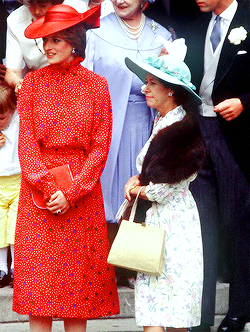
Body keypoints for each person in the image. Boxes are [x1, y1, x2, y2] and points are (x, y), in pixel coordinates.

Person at [13, 4, 119, 332]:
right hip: (39, 198)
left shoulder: (97, 86)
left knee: (78, 294)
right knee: (40, 296)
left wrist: (71, 192)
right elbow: (27, 147)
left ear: (75, 41)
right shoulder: (30, 85)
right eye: (45, 41)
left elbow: (100, 147)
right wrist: (49, 189)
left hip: (82, 197)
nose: (48, 47)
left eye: (56, 40)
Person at [123, 54, 205, 332]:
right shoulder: (164, 121)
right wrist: (137, 178)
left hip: (174, 225)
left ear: (170, 89)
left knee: (172, 306)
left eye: (152, 83)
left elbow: (163, 188)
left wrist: (138, 189)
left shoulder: (181, 129)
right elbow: (153, 172)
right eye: (146, 82)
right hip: (160, 220)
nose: (145, 88)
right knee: (157, 306)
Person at [184, 0, 250, 331]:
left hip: (236, 136)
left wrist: (245, 102)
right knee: (201, 225)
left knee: (239, 223)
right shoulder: (197, 23)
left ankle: (239, 311)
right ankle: (200, 314)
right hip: (198, 129)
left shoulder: (248, 16)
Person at [84, 0, 172, 232]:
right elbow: (84, 86)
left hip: (147, 124)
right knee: (107, 204)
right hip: (107, 127)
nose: (120, 0)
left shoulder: (161, 34)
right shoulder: (96, 31)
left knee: (144, 202)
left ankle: (138, 258)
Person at [5, 0, 88, 94]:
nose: (37, 11)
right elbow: (13, 72)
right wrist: (20, 84)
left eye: (43, 5)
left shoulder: (74, 9)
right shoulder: (15, 20)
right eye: (30, 4)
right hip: (38, 88)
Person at [0, 80, 20, 288]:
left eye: (2, 117)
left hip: (17, 182)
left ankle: (16, 267)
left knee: (15, 226)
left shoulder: (19, 122)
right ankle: (1, 269)